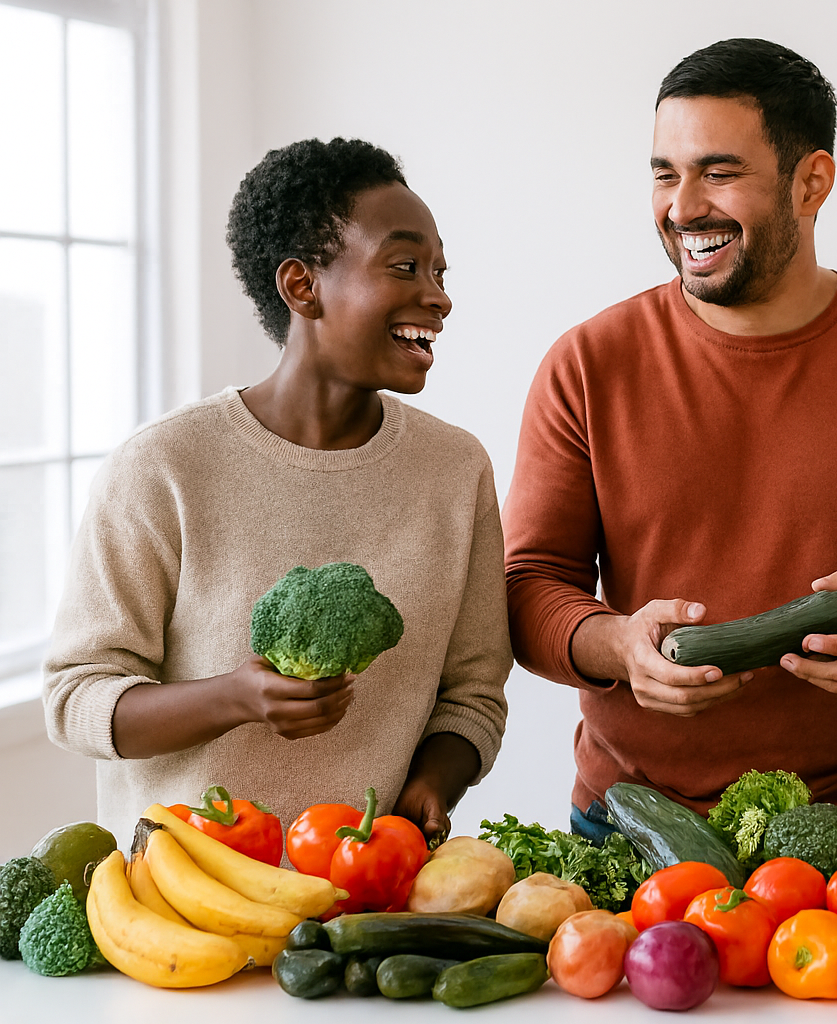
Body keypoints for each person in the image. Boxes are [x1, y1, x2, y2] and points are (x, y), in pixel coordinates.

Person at [503, 38, 837, 838]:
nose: (682, 206)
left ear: (811, 181)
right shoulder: (588, 363)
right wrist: (617, 645)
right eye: (664, 172)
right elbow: (527, 589)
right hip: (629, 825)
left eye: (718, 172)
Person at [44, 138, 513, 847]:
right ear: (302, 286)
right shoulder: (163, 466)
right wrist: (233, 698)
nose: (439, 296)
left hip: (364, 894)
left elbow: (473, 694)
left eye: (440, 272)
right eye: (405, 265)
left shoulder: (456, 468)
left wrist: (431, 785)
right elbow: (76, 698)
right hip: (189, 895)